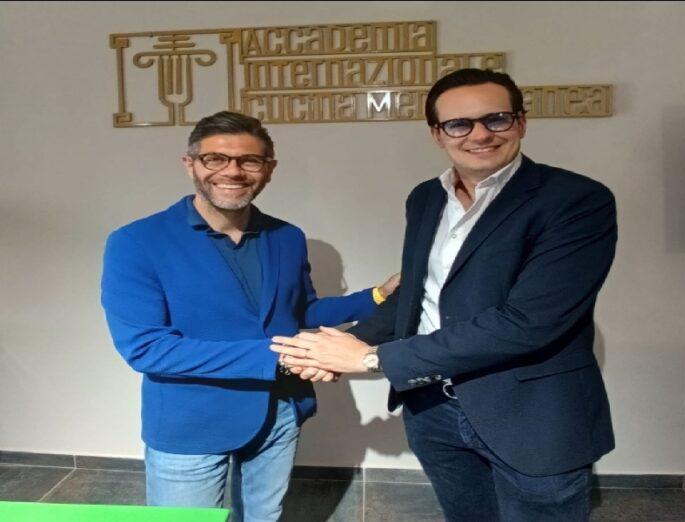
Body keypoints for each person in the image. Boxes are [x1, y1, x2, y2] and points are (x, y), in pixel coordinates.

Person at [271, 68, 617, 521]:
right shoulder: (426, 199)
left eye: (496, 119)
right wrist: (336, 346)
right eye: (459, 124)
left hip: (531, 416)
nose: (480, 134)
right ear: (437, 134)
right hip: (432, 408)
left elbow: (528, 322)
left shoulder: (575, 200)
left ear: (521, 123)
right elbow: (417, 296)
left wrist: (371, 359)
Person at [100, 110, 399, 522]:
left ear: (268, 169)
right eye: (215, 159)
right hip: (192, 423)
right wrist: (278, 358)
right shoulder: (136, 241)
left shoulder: (287, 236)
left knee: (264, 517)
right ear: (190, 164)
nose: (232, 171)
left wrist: (378, 296)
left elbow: (298, 312)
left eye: (249, 160)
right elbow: (148, 349)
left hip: (280, 412)